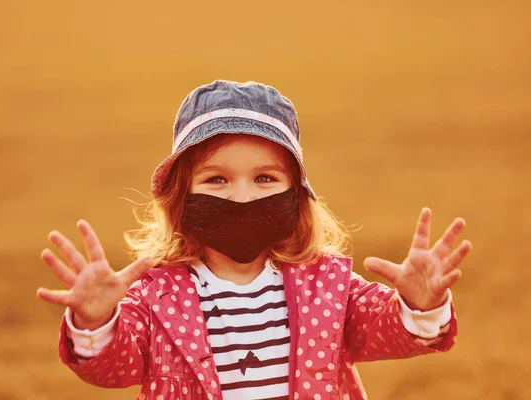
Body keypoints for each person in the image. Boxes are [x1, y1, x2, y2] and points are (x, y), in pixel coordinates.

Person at [36, 80, 471, 400]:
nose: (242, 197)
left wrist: (421, 304)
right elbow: (114, 367)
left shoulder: (326, 287)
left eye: (265, 178)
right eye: (216, 179)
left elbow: (388, 330)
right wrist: (95, 322)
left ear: (297, 196)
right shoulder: (155, 299)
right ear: (179, 199)